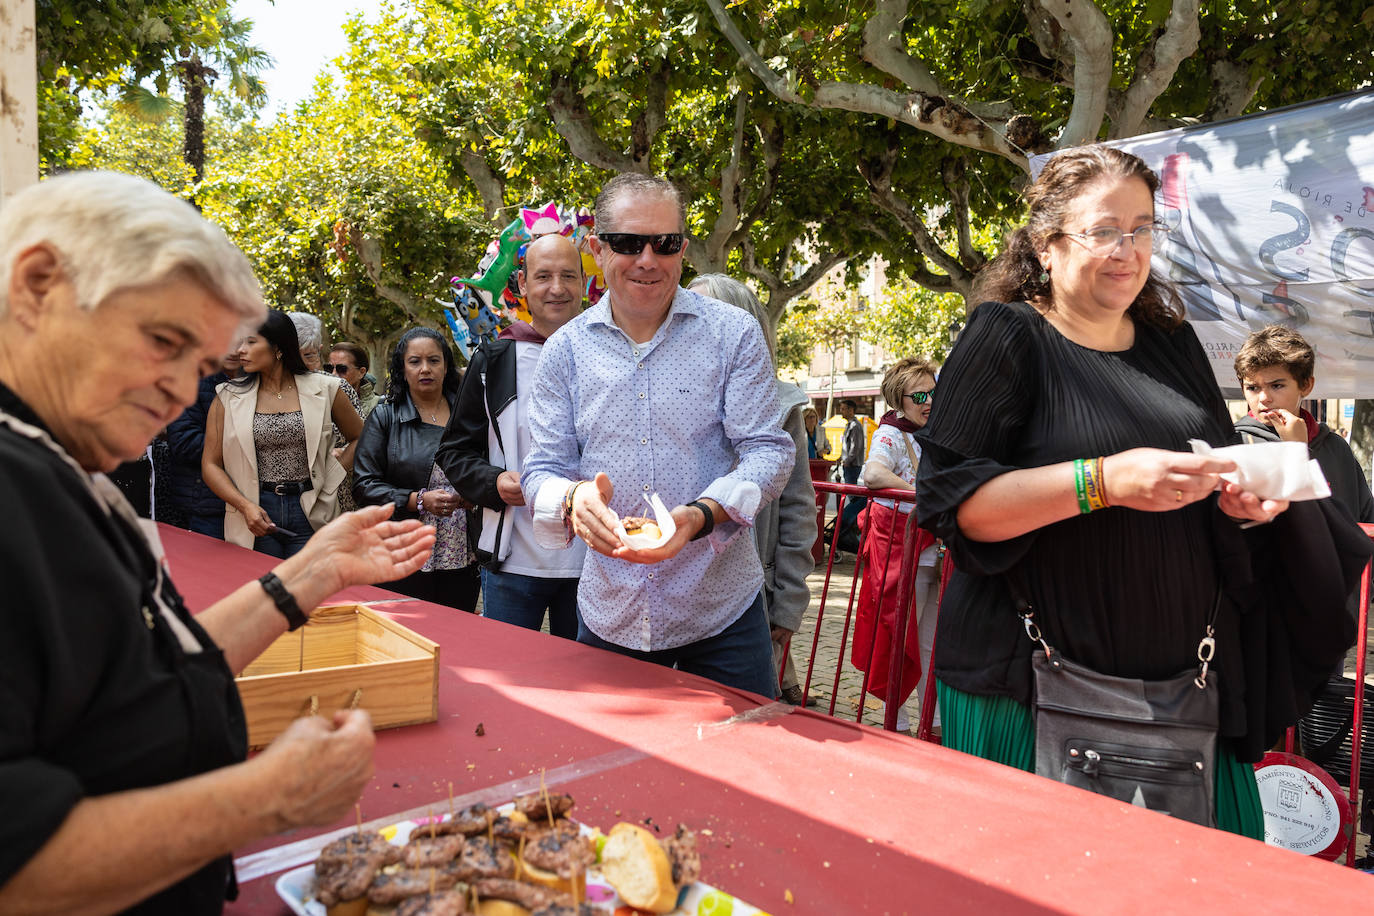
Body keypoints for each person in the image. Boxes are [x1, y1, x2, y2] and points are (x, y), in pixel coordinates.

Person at [0, 170, 435, 914]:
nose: (176, 391)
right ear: (38, 284)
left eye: (199, 367)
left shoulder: (59, 462)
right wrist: (265, 799)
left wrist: (309, 573)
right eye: (161, 342)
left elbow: (138, 677)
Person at [915, 145, 1364, 838]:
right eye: (1103, 230)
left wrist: (1241, 506)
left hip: (1188, 691)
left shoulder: (1171, 340)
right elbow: (957, 509)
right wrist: (1104, 481)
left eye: (1143, 228)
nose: (1128, 249)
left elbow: (1209, 464)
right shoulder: (1005, 336)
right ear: (1046, 241)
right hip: (1032, 689)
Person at [522, 173, 793, 696]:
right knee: (607, 771)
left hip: (721, 614)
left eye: (664, 243)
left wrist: (701, 515)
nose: (647, 259)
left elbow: (767, 451)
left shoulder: (733, 333)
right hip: (610, 612)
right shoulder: (564, 351)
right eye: (628, 243)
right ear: (597, 249)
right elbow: (542, 469)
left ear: (682, 249)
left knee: (742, 765)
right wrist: (574, 497)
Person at [436, 234, 586, 636]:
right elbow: (454, 451)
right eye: (543, 276)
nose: (557, 288)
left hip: (595, 564)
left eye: (568, 276)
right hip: (513, 560)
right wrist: (494, 482)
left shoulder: (612, 356)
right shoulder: (495, 359)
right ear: (522, 284)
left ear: (585, 283)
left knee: (586, 685)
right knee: (511, 679)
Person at [688, 272, 817, 706]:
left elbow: (798, 509)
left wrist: (788, 604)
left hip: (749, 599)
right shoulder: (663, 391)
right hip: (672, 590)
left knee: (747, 721)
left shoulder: (782, 404)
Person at [203, 309, 362, 558]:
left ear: (278, 348)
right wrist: (244, 507)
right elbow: (210, 465)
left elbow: (361, 436)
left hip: (313, 510)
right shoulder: (227, 396)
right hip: (255, 516)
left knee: (310, 593)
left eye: (251, 342)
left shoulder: (327, 388)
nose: (240, 349)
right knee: (263, 593)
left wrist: (331, 476)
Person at [355, 328, 480, 611]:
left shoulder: (469, 416)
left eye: (434, 360)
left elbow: (488, 469)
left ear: (446, 366)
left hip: (461, 550)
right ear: (402, 367)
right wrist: (418, 500)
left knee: (456, 636)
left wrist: (476, 495)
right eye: (415, 361)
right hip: (402, 548)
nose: (425, 369)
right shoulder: (386, 416)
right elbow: (364, 486)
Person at [852, 358, 940, 732]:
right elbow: (872, 474)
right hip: (903, 548)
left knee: (929, 639)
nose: (929, 401)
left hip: (934, 544)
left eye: (934, 393)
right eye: (919, 395)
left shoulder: (933, 432)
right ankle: (898, 722)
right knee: (901, 635)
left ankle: (931, 720)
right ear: (898, 399)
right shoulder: (890, 433)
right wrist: (925, 493)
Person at [1233, 325, 1374, 523]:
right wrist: (1296, 451)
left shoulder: (1335, 446)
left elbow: (1365, 517)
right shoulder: (1236, 445)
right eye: (1253, 388)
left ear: (1306, 385)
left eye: (1276, 385)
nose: (1263, 398)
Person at [166, 349, 244, 539]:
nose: (234, 351)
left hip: (254, 502)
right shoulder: (191, 381)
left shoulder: (261, 381)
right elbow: (183, 442)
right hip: (206, 504)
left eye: (244, 340)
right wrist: (245, 445)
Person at [329, 341, 382, 417]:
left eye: (341, 369)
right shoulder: (321, 403)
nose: (333, 374)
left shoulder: (380, 407)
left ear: (361, 372)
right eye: (329, 368)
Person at [838, 398, 867, 532]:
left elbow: (855, 447)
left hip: (852, 465)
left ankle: (853, 522)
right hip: (848, 464)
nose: (841, 411)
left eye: (843, 408)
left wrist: (847, 461)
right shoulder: (849, 425)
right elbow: (847, 446)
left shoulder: (855, 426)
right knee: (851, 494)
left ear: (851, 410)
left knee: (852, 496)